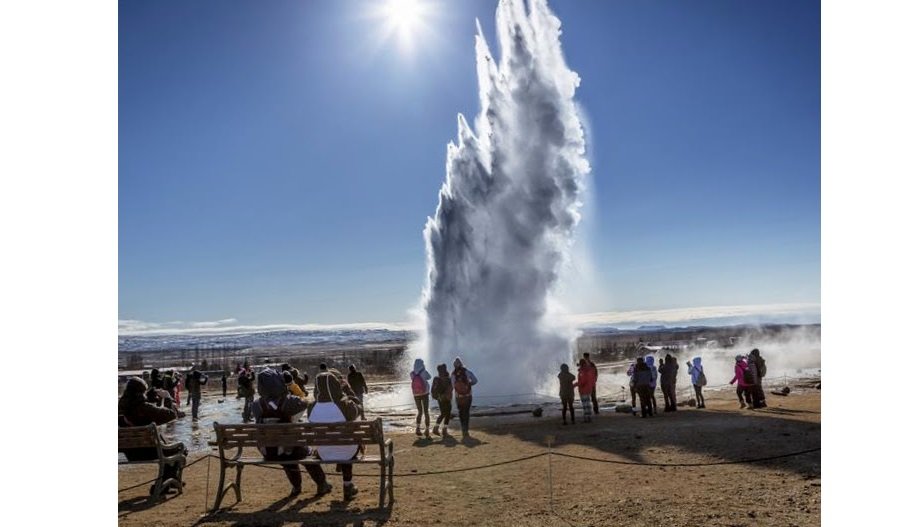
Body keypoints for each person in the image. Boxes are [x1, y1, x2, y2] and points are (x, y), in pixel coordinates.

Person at [252, 368, 332, 498]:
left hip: (269, 451)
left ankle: (296, 487)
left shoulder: (256, 405)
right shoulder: (290, 402)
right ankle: (322, 484)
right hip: (290, 449)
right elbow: (307, 401)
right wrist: (291, 386)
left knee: (287, 453)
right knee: (304, 452)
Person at [119, 377, 187, 495]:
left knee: (170, 451)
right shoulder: (145, 408)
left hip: (131, 453)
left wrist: (149, 398)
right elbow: (171, 415)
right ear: (141, 392)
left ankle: (170, 480)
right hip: (150, 452)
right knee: (181, 449)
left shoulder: (121, 407)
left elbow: (138, 410)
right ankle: (164, 484)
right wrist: (167, 398)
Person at [309, 367, 364, 500]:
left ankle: (327, 482)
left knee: (341, 441)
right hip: (347, 449)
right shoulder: (343, 404)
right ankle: (347, 485)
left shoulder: (311, 407)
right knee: (346, 442)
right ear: (336, 385)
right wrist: (348, 390)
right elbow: (359, 408)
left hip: (324, 451)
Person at [451, 357, 478, 438]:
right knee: (466, 412)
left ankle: (463, 429)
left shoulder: (453, 374)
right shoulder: (467, 372)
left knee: (461, 413)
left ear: (454, 365)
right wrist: (469, 384)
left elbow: (452, 386)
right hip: (468, 396)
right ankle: (466, 430)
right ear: (461, 364)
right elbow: (475, 380)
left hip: (458, 397)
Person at [410, 358, 432, 438]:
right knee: (426, 412)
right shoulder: (424, 372)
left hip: (416, 394)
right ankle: (427, 430)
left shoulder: (412, 373)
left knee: (419, 412)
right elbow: (429, 377)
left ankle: (418, 428)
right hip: (424, 393)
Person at [430, 363, 453, 436]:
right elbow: (451, 389)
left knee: (443, 413)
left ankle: (436, 428)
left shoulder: (436, 378)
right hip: (446, 398)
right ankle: (444, 430)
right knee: (447, 414)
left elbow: (432, 389)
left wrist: (436, 396)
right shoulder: (447, 378)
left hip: (439, 398)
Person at [576, 358, 596, 423]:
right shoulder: (589, 370)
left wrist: (574, 385)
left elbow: (582, 381)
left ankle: (586, 418)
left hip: (583, 389)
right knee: (588, 403)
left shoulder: (582, 371)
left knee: (585, 404)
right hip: (588, 388)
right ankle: (589, 417)